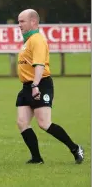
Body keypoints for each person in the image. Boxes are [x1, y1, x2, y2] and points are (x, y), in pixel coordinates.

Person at [15, 9, 84, 164]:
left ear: (33, 22)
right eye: (18, 21)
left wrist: (35, 85)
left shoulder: (37, 40)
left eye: (22, 21)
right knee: (22, 122)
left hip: (40, 84)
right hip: (27, 86)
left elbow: (39, 65)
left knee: (44, 123)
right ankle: (37, 158)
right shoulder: (28, 40)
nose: (19, 25)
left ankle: (75, 148)